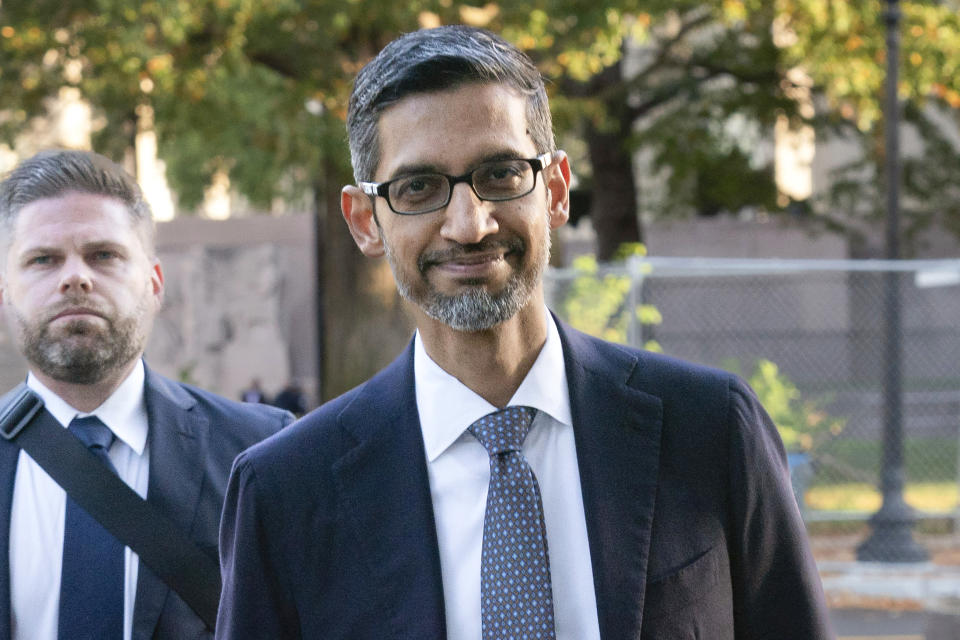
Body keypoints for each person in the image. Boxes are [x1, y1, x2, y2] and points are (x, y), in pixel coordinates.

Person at [216, 25, 833, 639]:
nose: (469, 224)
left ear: (556, 190)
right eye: (418, 188)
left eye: (501, 173)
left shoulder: (710, 430)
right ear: (365, 222)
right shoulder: (285, 492)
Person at [0, 149, 293, 640]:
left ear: (155, 284)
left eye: (104, 255)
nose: (76, 277)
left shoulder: (265, 452)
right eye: (43, 259)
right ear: (6, 295)